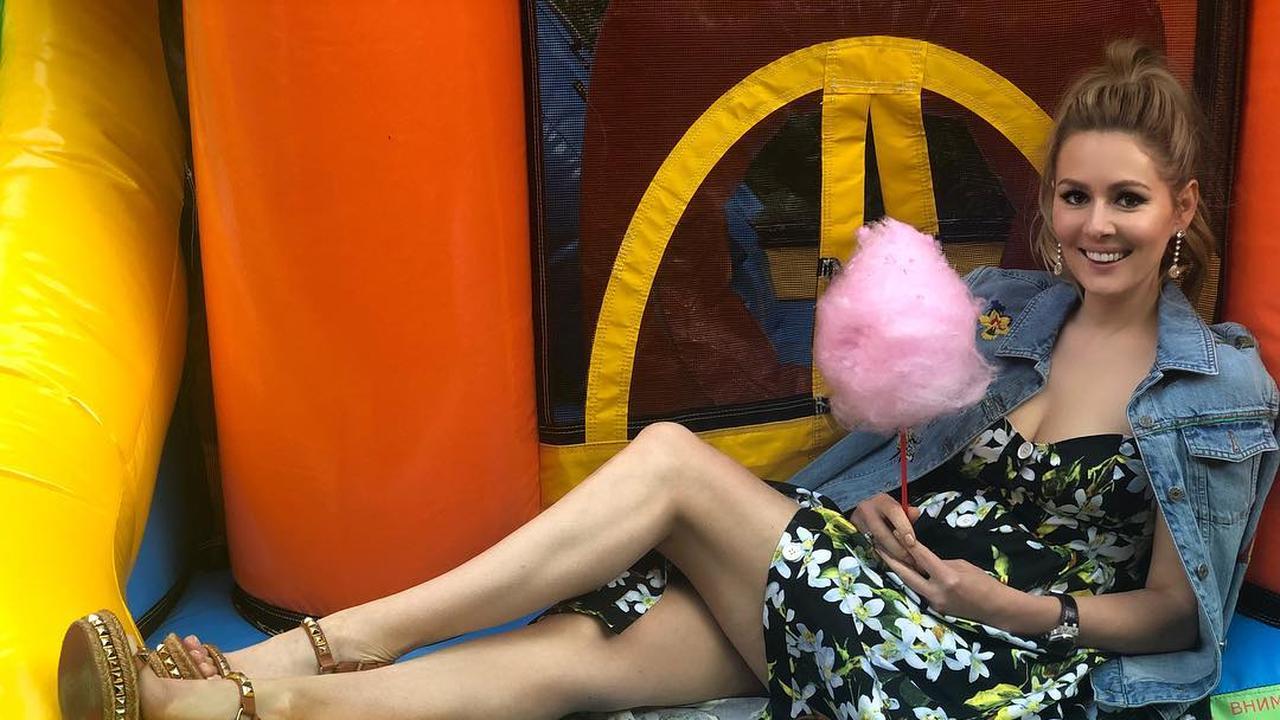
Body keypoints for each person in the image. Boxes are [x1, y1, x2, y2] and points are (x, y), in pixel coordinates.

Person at [60, 39, 1277, 720]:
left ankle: (331, 640)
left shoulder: (1215, 388)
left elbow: (1176, 614)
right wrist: (869, 475)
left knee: (669, 465)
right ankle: (235, 710)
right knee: (582, 661)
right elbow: (903, 438)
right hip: (866, 587)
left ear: (1180, 210)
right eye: (1072, 195)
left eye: (1125, 200)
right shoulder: (1010, 308)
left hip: (983, 669)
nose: (1093, 225)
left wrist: (1005, 606)